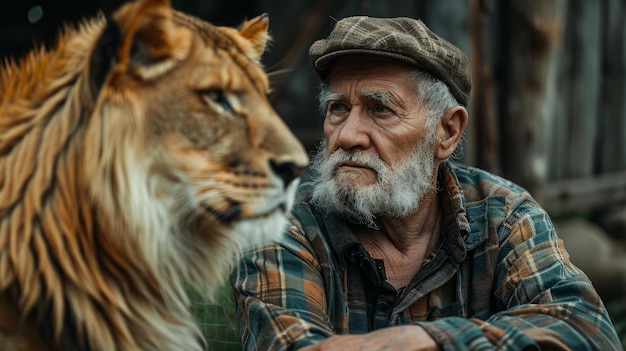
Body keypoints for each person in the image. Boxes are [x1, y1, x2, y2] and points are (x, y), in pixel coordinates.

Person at [230, 16, 623, 351]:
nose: (348, 135)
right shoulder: (282, 223)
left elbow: (589, 330)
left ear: (447, 132)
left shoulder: (501, 216)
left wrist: (427, 340)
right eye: (338, 109)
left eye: (380, 108)